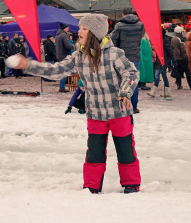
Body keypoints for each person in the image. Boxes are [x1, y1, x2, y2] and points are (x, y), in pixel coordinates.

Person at [12, 14, 141, 194]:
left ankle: (131, 184)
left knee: (125, 150)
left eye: (84, 28)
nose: (78, 31)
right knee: (94, 153)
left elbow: (131, 73)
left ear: (95, 32)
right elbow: (56, 70)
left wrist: (125, 92)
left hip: (119, 113)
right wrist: (29, 65)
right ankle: (91, 186)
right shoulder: (79, 56)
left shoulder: (114, 54)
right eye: (79, 27)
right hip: (95, 114)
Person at [110, 7, 145, 114]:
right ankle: (134, 106)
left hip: (121, 57)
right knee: (133, 81)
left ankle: (122, 106)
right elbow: (141, 37)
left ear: (123, 15)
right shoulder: (141, 25)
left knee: (120, 81)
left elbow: (114, 41)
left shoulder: (119, 25)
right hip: (135, 56)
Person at [147, 28, 177, 98]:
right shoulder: (161, 41)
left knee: (157, 74)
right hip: (160, 60)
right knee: (164, 75)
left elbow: (170, 51)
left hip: (163, 60)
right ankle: (167, 91)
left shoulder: (164, 41)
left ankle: (154, 90)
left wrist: (174, 61)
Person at [55, 23, 74, 92]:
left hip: (59, 55)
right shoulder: (64, 35)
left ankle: (61, 86)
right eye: (67, 28)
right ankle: (62, 87)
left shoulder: (58, 35)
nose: (68, 29)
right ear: (64, 28)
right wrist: (75, 46)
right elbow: (68, 45)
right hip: (64, 55)